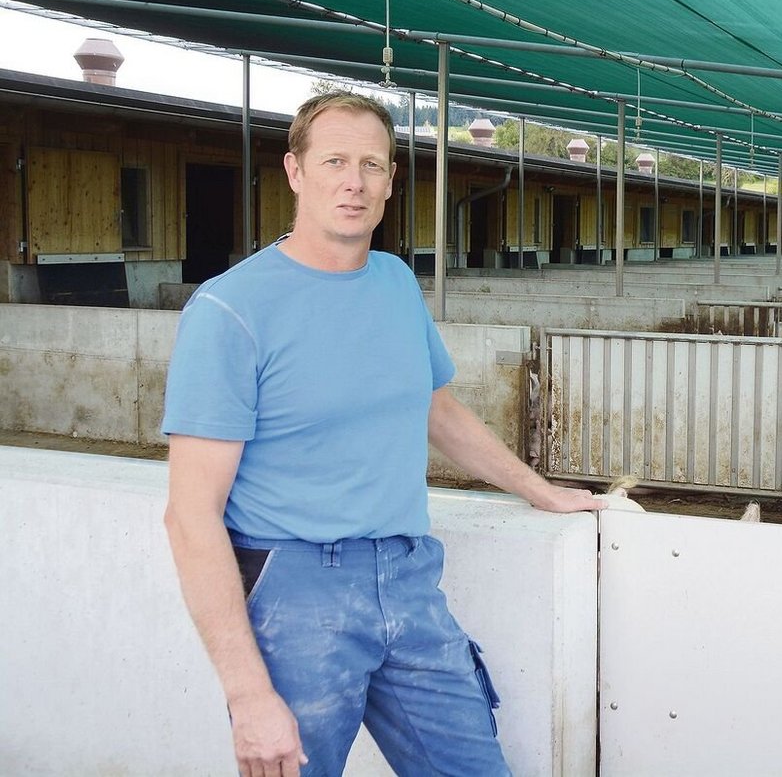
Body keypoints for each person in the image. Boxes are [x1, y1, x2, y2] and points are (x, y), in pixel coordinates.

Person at [162, 92, 604, 777]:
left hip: (408, 577)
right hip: (295, 589)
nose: (354, 181)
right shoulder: (230, 309)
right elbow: (191, 517)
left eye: (372, 164)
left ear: (392, 181)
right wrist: (249, 694)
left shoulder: (395, 282)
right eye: (334, 160)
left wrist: (539, 489)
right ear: (295, 171)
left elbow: (438, 410)